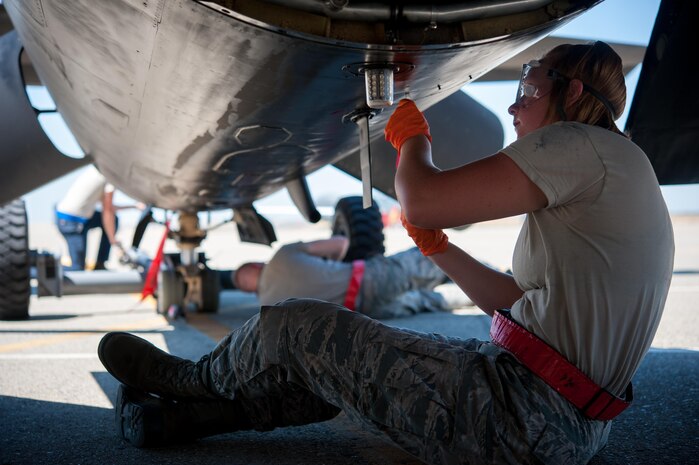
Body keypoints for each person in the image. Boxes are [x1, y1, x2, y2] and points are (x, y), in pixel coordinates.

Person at [97, 41, 674, 465]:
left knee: (296, 326)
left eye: (527, 89)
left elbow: (419, 199)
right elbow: (517, 302)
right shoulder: (617, 169)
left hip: (522, 411)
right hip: (567, 425)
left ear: (573, 94)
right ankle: (186, 419)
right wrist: (439, 249)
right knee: (341, 366)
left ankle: (190, 382)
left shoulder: (580, 143)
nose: (514, 107)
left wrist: (412, 137)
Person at [230, 235, 468, 319]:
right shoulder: (282, 255)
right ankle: (499, 278)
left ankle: (470, 296)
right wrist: (329, 266)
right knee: (430, 258)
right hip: (368, 278)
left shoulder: (267, 308)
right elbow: (341, 243)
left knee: (429, 300)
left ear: (249, 291)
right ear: (256, 264)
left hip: (365, 312)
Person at [55, 165, 138, 270]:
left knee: (114, 220)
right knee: (77, 269)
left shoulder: (100, 168)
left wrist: (134, 206)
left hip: (79, 219)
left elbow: (108, 207)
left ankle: (100, 264)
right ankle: (49, 269)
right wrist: (113, 240)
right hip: (71, 221)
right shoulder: (111, 176)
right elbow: (107, 211)